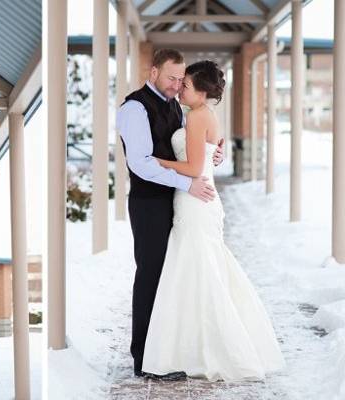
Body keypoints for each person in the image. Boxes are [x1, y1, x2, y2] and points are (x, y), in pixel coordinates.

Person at [141, 60, 285, 381]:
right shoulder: (207, 115)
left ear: (202, 91)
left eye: (187, 85)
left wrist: (155, 161)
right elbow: (208, 158)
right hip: (201, 199)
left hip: (194, 200)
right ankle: (194, 348)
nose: (181, 88)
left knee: (197, 272)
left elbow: (192, 168)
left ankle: (204, 349)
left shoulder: (195, 116)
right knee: (199, 271)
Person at [116, 48, 224, 379]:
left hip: (177, 202)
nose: (177, 85)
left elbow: (190, 149)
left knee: (173, 277)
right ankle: (144, 359)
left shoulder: (179, 107)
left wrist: (211, 155)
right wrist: (188, 181)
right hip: (149, 203)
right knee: (150, 276)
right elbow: (141, 163)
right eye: (172, 78)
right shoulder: (134, 108)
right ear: (153, 73)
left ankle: (168, 352)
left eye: (181, 79)